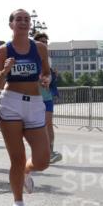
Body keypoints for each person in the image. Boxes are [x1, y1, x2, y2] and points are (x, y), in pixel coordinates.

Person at [0, 9, 52, 206]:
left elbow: (46, 72)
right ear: (11, 25)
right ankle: (18, 202)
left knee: (43, 161)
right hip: (11, 104)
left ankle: (27, 171)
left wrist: (46, 79)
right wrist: (4, 72)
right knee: (17, 158)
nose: (24, 22)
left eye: (27, 19)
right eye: (19, 19)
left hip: (35, 103)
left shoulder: (40, 48)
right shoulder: (2, 51)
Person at [33, 32, 62, 164]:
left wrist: (50, 78)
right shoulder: (31, 58)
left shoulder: (48, 59)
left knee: (48, 124)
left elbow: (48, 75)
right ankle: (39, 151)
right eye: (41, 42)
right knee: (36, 126)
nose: (44, 44)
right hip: (34, 97)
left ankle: (50, 151)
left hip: (47, 96)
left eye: (46, 42)